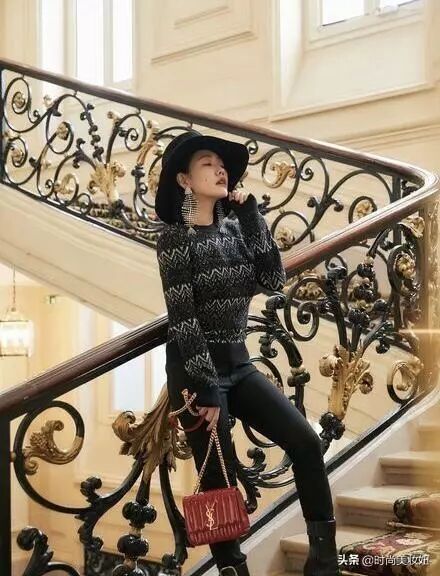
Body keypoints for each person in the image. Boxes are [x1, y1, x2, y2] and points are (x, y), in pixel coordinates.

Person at [154, 130, 341, 576]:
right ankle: (233, 570)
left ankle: (324, 561)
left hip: (239, 364)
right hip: (195, 375)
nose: (220, 169)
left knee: (305, 442)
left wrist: (252, 215)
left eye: (222, 165)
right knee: (217, 482)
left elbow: (273, 280)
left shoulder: (236, 227)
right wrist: (206, 390)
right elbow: (183, 319)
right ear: (184, 179)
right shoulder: (173, 240)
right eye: (207, 163)